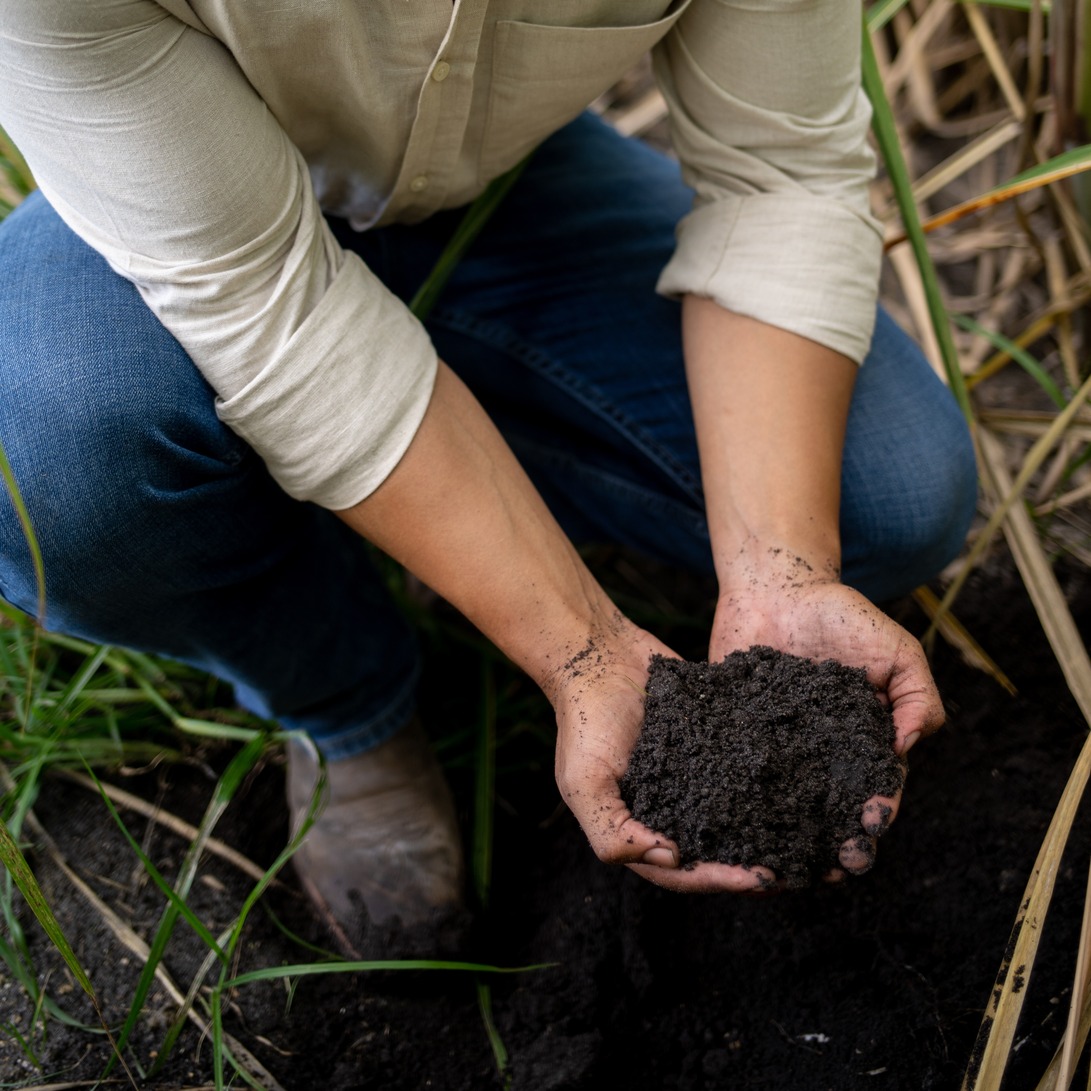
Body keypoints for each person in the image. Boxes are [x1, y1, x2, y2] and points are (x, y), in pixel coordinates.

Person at [0, 0, 976, 946]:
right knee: (46, 463)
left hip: (496, 192)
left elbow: (780, 179)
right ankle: (346, 705)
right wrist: (574, 649)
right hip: (186, 220)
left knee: (888, 493)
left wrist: (777, 569)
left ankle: (446, 484)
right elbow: (264, 310)